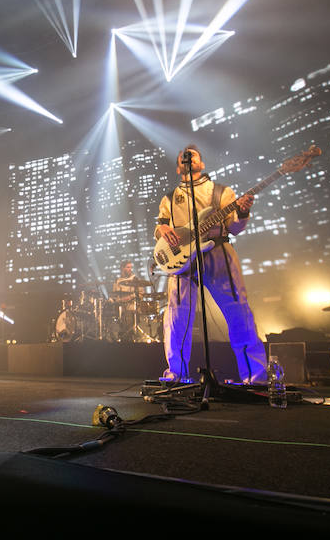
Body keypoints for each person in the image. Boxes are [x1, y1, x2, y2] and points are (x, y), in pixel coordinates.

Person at [154, 145, 267, 384]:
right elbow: (161, 225)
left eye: (193, 154)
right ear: (178, 167)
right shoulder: (170, 197)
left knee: (238, 310)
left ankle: (254, 377)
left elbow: (234, 227)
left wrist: (243, 212)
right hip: (182, 262)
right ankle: (177, 375)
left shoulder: (221, 192)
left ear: (202, 163)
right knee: (177, 316)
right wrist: (162, 229)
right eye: (184, 156)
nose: (189, 156)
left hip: (218, 253)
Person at [112, 260, 143, 340]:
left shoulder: (135, 280)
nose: (130, 269)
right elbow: (114, 295)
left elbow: (141, 294)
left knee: (130, 332)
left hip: (132, 308)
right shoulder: (117, 281)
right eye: (128, 267)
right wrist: (113, 300)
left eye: (131, 267)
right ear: (122, 268)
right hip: (120, 309)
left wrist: (130, 297)